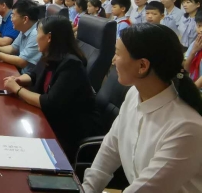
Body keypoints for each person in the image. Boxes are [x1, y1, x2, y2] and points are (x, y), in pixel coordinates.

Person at [82, 24, 202, 193]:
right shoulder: (134, 94)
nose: (113, 60)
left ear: (142, 66)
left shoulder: (186, 127)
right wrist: (86, 189)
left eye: (117, 53)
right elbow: (110, 149)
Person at [3, 16, 101, 160]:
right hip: (52, 121)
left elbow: (49, 102)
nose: (36, 38)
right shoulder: (51, 55)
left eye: (38, 33)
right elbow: (34, 75)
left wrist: (18, 90)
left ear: (49, 37)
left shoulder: (71, 65)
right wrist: (18, 80)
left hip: (69, 131)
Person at [0, 0, 42, 74]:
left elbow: (22, 62)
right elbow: (12, 48)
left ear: (25, 19)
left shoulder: (36, 34)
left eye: (13, 15)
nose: (11, 19)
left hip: (26, 77)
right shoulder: (24, 29)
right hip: (19, 72)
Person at [184, 12, 202, 90]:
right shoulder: (195, 43)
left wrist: (191, 91)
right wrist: (193, 51)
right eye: (199, 26)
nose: (201, 30)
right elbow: (187, 69)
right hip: (194, 86)